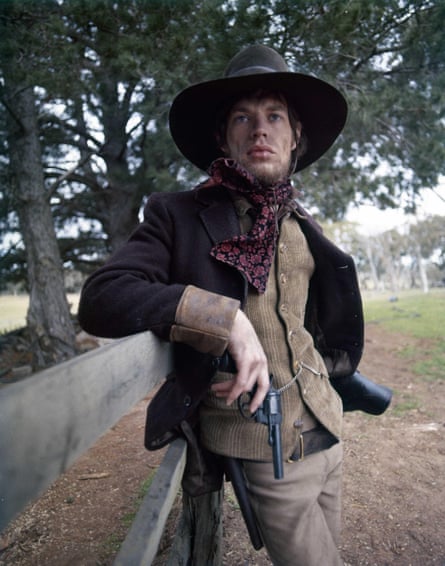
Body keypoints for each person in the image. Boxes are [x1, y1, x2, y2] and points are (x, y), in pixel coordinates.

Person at [78, 45, 391, 565]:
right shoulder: (176, 215)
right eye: (243, 118)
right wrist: (224, 319)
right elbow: (103, 298)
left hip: (328, 428)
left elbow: (306, 320)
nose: (259, 129)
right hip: (262, 442)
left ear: (296, 141)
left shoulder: (298, 221)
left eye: (274, 117)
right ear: (224, 139)